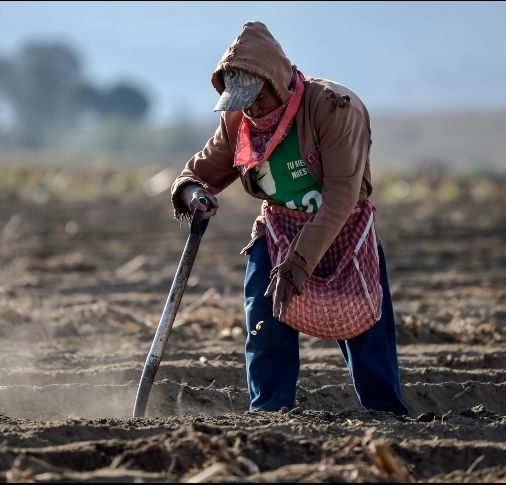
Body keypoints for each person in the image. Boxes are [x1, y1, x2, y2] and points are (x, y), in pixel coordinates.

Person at [170, 21, 408, 416]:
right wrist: (192, 193)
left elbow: (341, 197)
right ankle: (268, 415)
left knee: (365, 327)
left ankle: (388, 416)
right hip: (279, 229)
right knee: (265, 325)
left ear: (277, 85)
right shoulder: (238, 122)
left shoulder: (332, 108)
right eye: (242, 101)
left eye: (258, 99)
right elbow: (199, 171)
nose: (252, 109)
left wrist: (297, 265)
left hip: (341, 228)